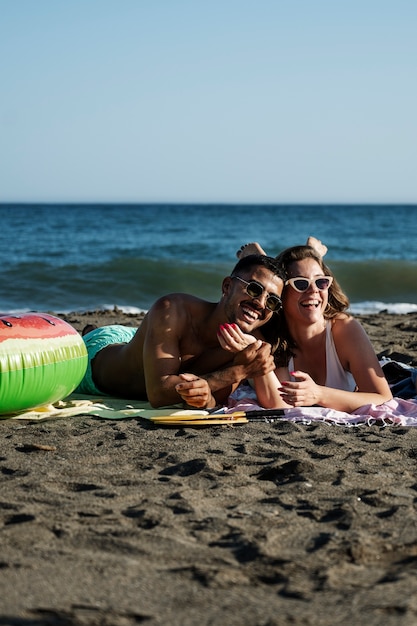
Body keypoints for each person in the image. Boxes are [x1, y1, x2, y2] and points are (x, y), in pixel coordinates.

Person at [76, 253, 286, 409]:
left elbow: (213, 400)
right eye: (254, 289)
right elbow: (158, 394)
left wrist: (204, 399)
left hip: (147, 340)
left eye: (273, 301)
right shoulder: (172, 309)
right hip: (97, 355)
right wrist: (239, 371)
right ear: (227, 287)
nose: (260, 302)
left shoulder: (247, 346)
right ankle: (91, 331)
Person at [217, 240, 393, 413]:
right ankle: (264, 258)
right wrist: (256, 351)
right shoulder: (269, 334)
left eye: (321, 282)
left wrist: (318, 394)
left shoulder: (345, 328)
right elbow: (278, 403)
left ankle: (308, 253)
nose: (314, 290)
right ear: (282, 295)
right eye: (300, 283)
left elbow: (382, 397)